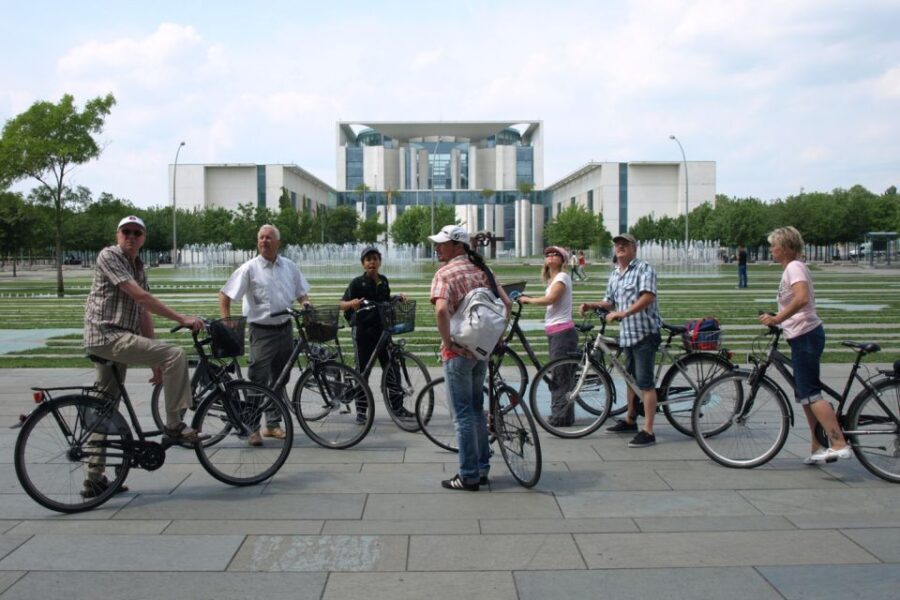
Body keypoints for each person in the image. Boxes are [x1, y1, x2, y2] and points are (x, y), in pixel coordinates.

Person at [83, 215, 204, 498]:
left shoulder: (138, 265)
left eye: (137, 233)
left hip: (116, 338)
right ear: (118, 235)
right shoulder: (110, 256)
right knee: (175, 353)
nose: (131, 236)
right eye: (126, 231)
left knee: (104, 408)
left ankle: (94, 479)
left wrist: (154, 361)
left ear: (144, 238)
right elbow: (141, 298)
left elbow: (143, 312)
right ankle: (173, 424)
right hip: (108, 336)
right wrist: (182, 318)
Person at [429, 224, 511, 491]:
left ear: (458, 246)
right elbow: (506, 304)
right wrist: (495, 338)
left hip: (457, 352)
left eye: (442, 243)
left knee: (462, 415)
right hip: (480, 351)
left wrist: (448, 342)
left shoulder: (445, 273)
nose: (437, 247)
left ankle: (468, 475)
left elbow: (441, 310)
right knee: (476, 410)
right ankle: (482, 467)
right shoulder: (483, 270)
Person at [759, 226, 850, 464]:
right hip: (801, 335)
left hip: (806, 335)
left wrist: (778, 318)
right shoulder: (792, 267)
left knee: (810, 393)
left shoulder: (794, 267)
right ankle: (817, 446)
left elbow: (802, 298)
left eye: (774, 245)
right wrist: (778, 318)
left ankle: (839, 443)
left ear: (787, 248)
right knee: (805, 395)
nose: (771, 250)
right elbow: (795, 302)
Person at [219, 224, 310, 446]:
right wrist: (226, 319)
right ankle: (251, 427)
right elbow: (225, 295)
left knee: (280, 378)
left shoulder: (289, 266)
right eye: (261, 237)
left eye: (269, 237)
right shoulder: (249, 269)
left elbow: (301, 292)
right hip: (261, 331)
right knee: (257, 380)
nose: (264, 241)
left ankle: (273, 424)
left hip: (285, 329)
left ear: (278, 242)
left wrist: (306, 303)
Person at [580, 233, 662, 448]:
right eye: (617, 244)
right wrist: (591, 305)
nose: (620, 247)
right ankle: (630, 419)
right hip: (628, 335)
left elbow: (648, 296)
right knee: (629, 379)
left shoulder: (644, 269)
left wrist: (623, 313)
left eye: (625, 244)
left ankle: (649, 431)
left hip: (645, 333)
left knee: (644, 382)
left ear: (634, 248)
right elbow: (609, 301)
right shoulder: (616, 273)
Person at [339, 246, 409, 423]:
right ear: (363, 264)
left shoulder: (383, 281)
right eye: (368, 259)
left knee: (392, 369)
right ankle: (361, 411)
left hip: (383, 332)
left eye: (375, 259)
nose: (372, 262)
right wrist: (352, 303)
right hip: (363, 332)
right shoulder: (357, 283)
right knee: (363, 371)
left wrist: (396, 298)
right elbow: (341, 304)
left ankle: (398, 408)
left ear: (380, 262)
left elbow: (384, 301)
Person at [520, 246, 576, 426]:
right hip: (555, 331)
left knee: (560, 375)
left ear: (563, 260)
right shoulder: (553, 279)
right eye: (548, 255)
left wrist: (528, 299)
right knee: (560, 374)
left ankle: (560, 417)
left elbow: (551, 299)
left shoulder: (562, 277)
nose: (551, 257)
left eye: (555, 255)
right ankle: (564, 415)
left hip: (562, 331)